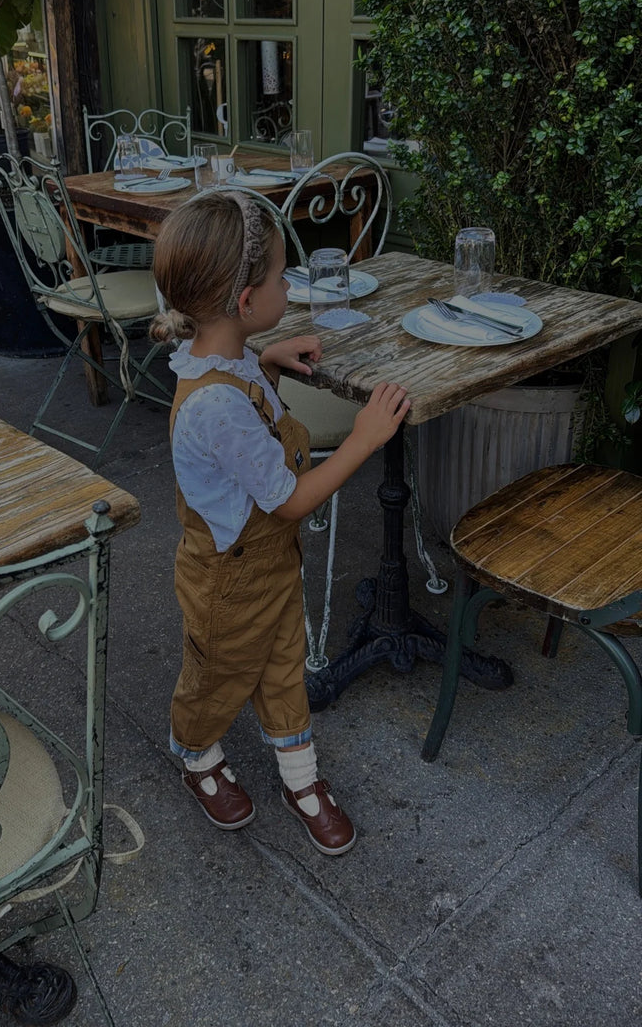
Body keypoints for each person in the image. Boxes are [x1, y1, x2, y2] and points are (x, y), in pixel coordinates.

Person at [150, 189, 410, 856]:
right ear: (244, 303)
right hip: (226, 584)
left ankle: (301, 778)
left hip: (267, 567)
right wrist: (363, 438)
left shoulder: (228, 356)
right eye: (278, 277)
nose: (287, 284)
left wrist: (265, 361)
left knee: (283, 668)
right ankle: (198, 756)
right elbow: (290, 499)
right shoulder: (215, 408)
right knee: (216, 677)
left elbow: (241, 389)